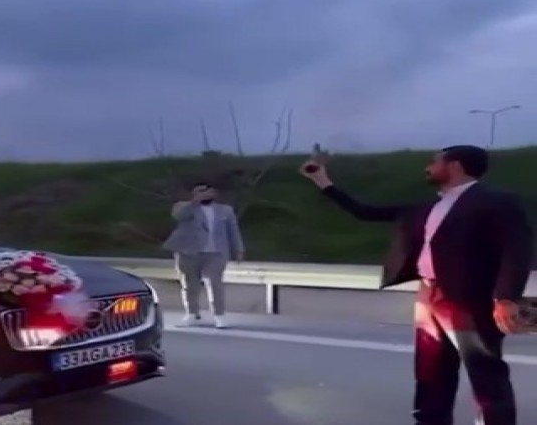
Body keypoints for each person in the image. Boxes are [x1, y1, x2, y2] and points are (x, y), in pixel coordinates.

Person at [300, 145, 533, 425]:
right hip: (429, 295)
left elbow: (516, 250)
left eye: (434, 162)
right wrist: (322, 181)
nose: (428, 167)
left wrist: (505, 297)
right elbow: (365, 212)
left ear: (455, 166)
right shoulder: (428, 206)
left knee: (484, 371)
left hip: (469, 298)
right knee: (430, 370)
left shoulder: (497, 201)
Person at [162, 182, 245, 329]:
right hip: (188, 252)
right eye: (202, 191)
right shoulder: (184, 207)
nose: (206, 194)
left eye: (210, 191)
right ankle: (192, 314)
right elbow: (178, 216)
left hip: (216, 253)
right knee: (190, 285)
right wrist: (194, 201)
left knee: (215, 284)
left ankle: (219, 315)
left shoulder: (225, 210)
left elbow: (233, 230)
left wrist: (238, 249)